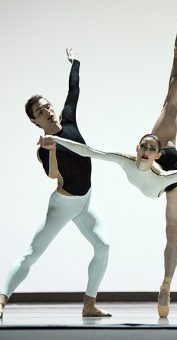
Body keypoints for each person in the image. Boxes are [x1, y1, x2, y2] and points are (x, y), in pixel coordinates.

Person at [39, 22, 177, 318]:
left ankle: (166, 283)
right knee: (170, 101)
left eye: (150, 148)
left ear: (156, 153)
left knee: (172, 229)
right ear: (140, 148)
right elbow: (89, 151)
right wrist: (58, 141)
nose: (145, 150)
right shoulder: (127, 159)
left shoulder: (168, 173)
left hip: (172, 178)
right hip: (160, 168)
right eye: (144, 145)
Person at [0, 49, 111, 318]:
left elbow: (74, 90)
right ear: (34, 121)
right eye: (40, 111)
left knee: (103, 246)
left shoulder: (69, 119)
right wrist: (50, 150)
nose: (47, 111)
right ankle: (2, 301)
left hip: (85, 200)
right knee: (32, 253)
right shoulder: (43, 148)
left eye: (47, 106)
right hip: (63, 205)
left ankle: (89, 304)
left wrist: (76, 63)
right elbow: (53, 176)